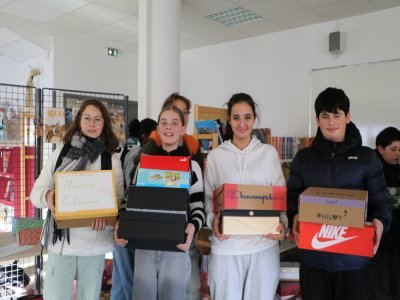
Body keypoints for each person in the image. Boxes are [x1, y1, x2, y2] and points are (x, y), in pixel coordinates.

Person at [287, 87, 392, 300]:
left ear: (348, 117)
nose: (331, 121)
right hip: (313, 259)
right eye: (325, 116)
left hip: (354, 260)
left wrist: (380, 223)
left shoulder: (366, 157)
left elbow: (381, 202)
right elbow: (291, 198)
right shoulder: (303, 158)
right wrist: (293, 216)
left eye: (337, 114)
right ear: (317, 119)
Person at [30, 99, 124, 300]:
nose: (92, 124)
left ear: (104, 124)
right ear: (78, 121)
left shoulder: (111, 161)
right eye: (87, 118)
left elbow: (119, 205)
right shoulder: (61, 154)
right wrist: (48, 196)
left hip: (94, 245)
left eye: (97, 119)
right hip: (62, 244)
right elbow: (35, 193)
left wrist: (107, 223)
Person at [115, 105, 205, 300]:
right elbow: (130, 201)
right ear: (158, 129)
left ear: (182, 128)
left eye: (175, 123)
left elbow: (198, 207)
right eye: (163, 123)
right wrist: (120, 223)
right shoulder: (144, 164)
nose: (169, 127)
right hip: (145, 247)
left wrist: (192, 226)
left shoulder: (192, 166)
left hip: (177, 247)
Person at [204, 93, 287, 300]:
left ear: (255, 119)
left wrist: (282, 225)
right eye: (236, 118)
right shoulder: (216, 156)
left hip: (263, 247)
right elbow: (208, 198)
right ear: (229, 120)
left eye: (247, 117)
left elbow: (280, 198)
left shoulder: (268, 154)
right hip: (226, 247)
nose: (242, 124)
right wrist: (212, 220)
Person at [110, 117, 157, 300]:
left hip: (123, 220)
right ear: (145, 137)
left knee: (120, 277)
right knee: (131, 278)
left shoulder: (130, 153)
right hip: (131, 221)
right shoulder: (140, 157)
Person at [368, 126, 400, 300]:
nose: (398, 154)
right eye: (393, 149)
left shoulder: (397, 169)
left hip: (396, 241)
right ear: (380, 149)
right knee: (380, 289)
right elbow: (380, 200)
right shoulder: (372, 170)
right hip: (380, 242)